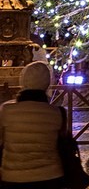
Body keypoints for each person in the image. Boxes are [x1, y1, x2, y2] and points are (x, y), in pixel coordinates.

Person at [0, 61, 75, 189]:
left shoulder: (6, 111)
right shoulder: (57, 113)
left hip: (13, 177)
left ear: (23, 81)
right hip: (50, 176)